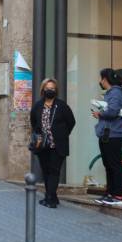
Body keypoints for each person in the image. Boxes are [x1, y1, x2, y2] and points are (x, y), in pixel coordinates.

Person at [30, 78, 75, 208]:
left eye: (53, 89)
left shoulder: (61, 106)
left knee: (54, 171)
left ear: (56, 91)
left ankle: (49, 199)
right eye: (48, 88)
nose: (50, 90)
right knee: (46, 171)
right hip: (43, 145)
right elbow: (34, 122)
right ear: (43, 89)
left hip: (58, 145)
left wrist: (63, 134)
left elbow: (71, 122)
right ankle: (53, 196)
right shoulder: (38, 106)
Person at [93, 68, 122, 207]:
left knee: (114, 165)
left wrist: (100, 114)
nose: (100, 81)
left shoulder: (115, 92)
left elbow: (113, 111)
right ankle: (109, 194)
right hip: (108, 133)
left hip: (113, 134)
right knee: (109, 165)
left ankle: (117, 195)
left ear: (106, 79)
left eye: (101, 78)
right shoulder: (113, 93)